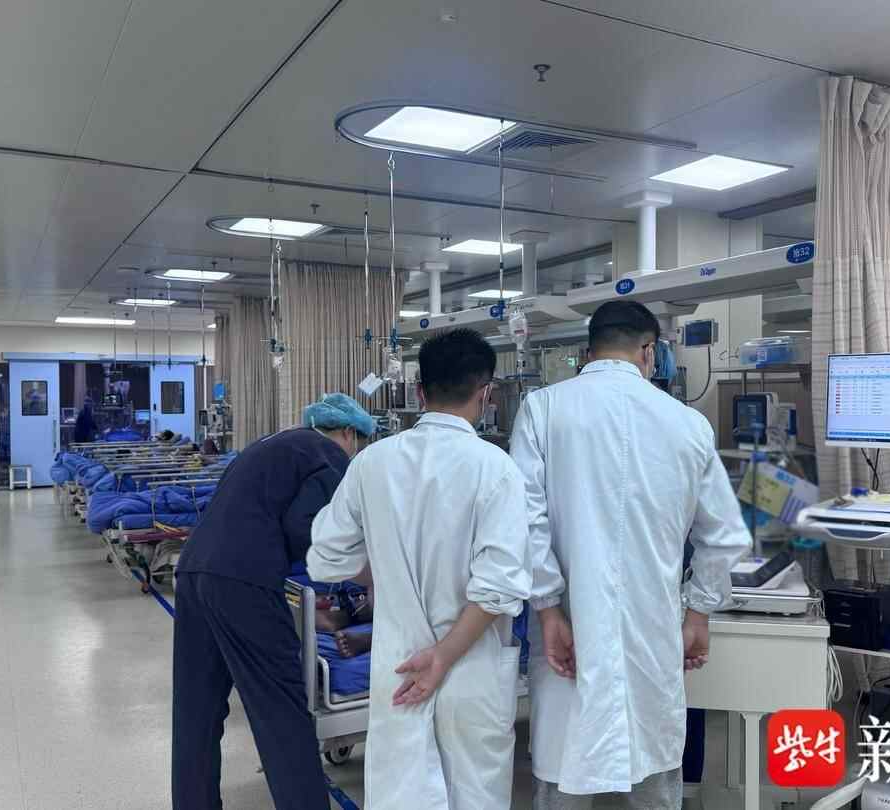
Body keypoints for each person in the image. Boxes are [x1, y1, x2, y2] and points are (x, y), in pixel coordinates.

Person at [509, 300, 752, 809]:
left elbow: (524, 522)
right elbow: (724, 535)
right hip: (653, 636)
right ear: (650, 351)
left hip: (568, 632)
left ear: (587, 351)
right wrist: (698, 613)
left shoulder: (543, 409)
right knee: (655, 777)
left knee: (563, 773)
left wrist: (548, 609)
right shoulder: (687, 424)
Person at [308, 328, 531, 810]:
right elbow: (499, 588)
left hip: (400, 665)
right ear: (486, 393)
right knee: (475, 793)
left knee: (402, 794)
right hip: (470, 667)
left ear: (419, 390)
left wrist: (387, 566)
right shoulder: (496, 469)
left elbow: (326, 557)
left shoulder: (372, 463)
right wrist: (445, 656)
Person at [171, 393, 375, 810]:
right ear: (348, 433)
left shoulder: (272, 445)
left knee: (196, 711)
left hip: (194, 571)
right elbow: (309, 530)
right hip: (243, 581)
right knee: (281, 713)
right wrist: (368, 575)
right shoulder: (328, 456)